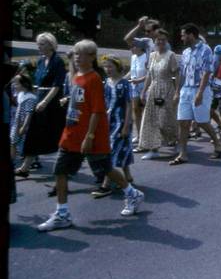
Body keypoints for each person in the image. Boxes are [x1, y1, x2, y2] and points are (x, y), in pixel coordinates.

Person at [37, 40, 144, 232]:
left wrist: (90, 136)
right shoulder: (76, 76)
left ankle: (132, 193)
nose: (77, 57)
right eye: (75, 54)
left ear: (92, 57)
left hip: (90, 136)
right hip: (71, 134)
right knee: (60, 171)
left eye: (82, 54)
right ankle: (62, 214)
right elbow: (79, 102)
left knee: (106, 168)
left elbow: (97, 111)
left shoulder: (94, 79)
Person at [173, 23, 221, 165]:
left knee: (201, 121)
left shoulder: (205, 50)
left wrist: (200, 93)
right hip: (186, 89)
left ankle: (218, 143)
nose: (182, 38)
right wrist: (177, 91)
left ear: (191, 35)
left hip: (200, 89)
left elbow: (207, 72)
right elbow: (182, 73)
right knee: (183, 122)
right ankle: (183, 153)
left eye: (183, 35)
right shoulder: (185, 52)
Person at [22, 32, 67, 170]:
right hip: (39, 98)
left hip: (52, 102)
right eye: (38, 44)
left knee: (56, 134)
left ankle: (67, 163)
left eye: (42, 44)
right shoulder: (41, 61)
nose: (39, 46)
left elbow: (57, 85)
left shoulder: (57, 61)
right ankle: (25, 167)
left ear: (51, 45)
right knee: (33, 132)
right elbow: (37, 82)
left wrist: (45, 102)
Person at [91, 55, 134, 198]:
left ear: (117, 67)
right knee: (120, 148)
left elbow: (129, 105)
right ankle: (127, 175)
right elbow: (104, 102)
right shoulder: (107, 83)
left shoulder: (125, 84)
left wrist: (126, 126)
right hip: (109, 121)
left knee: (111, 151)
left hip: (121, 121)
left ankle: (106, 184)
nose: (107, 69)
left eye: (110, 66)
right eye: (105, 66)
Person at [137, 29, 180, 160]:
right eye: (158, 39)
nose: (160, 42)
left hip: (167, 89)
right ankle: (153, 149)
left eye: (163, 40)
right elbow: (149, 75)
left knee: (166, 120)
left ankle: (175, 141)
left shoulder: (171, 55)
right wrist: (144, 91)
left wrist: (177, 92)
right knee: (151, 120)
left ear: (166, 41)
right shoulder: (152, 55)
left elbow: (176, 74)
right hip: (153, 90)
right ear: (154, 41)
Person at [12, 74, 37, 177]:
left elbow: (29, 114)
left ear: (25, 84)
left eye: (16, 84)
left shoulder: (30, 97)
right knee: (13, 142)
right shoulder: (21, 94)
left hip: (24, 126)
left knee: (28, 147)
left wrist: (24, 126)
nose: (14, 86)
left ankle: (25, 168)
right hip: (17, 123)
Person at [127, 40, 148, 145]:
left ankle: (146, 135)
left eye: (134, 46)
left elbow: (150, 74)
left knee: (145, 111)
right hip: (134, 85)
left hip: (145, 86)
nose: (131, 49)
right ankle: (139, 135)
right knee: (136, 110)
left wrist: (139, 80)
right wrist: (122, 78)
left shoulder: (146, 57)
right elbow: (131, 71)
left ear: (140, 47)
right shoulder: (133, 57)